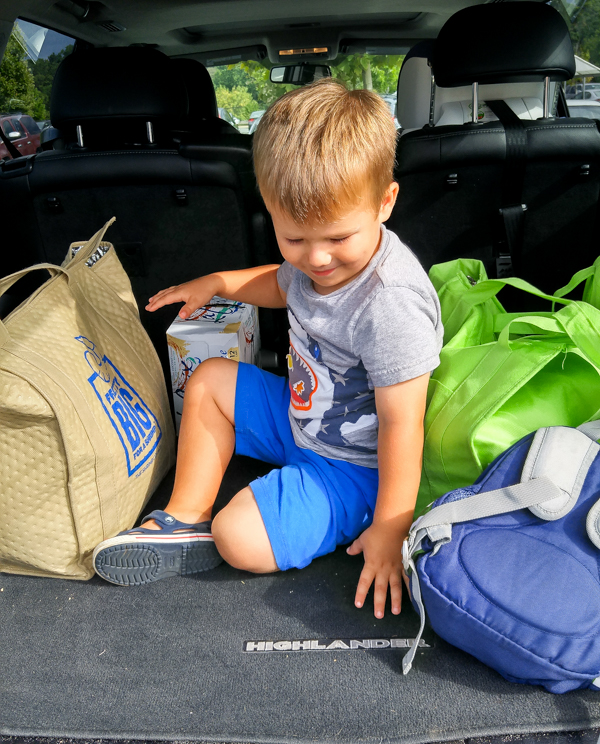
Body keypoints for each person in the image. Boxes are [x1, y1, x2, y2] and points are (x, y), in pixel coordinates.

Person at [92, 78, 443, 619]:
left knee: (238, 539)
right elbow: (282, 283)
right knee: (209, 377)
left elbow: (403, 425)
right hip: (301, 418)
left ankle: (282, 519)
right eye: (294, 239)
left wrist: (391, 528)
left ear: (385, 202)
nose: (317, 259)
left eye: (338, 238)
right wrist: (219, 282)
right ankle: (184, 517)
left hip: (353, 467)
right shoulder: (312, 265)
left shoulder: (390, 302)